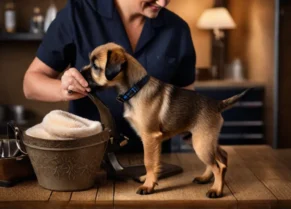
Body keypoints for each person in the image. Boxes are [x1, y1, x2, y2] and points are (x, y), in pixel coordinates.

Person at [23, 0, 196, 153]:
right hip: (86, 158)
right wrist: (63, 89)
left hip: (153, 165)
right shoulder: (77, 14)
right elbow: (31, 83)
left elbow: (187, 103)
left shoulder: (177, 29)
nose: (163, 2)